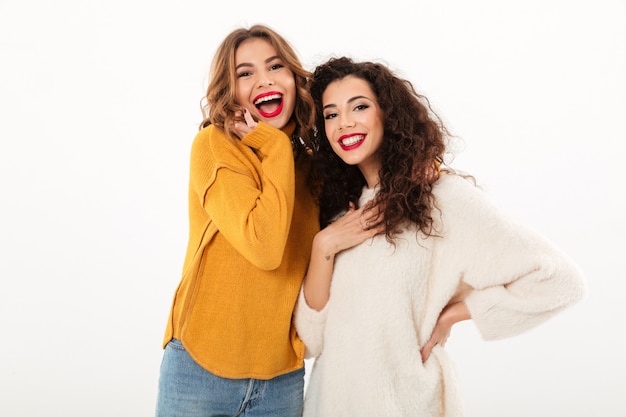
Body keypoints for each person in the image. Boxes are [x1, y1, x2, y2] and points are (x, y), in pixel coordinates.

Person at [294, 56, 587, 417]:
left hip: (406, 404)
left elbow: (560, 280)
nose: (345, 122)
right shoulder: (340, 212)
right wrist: (325, 245)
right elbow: (310, 341)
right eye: (331, 114)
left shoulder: (439, 198)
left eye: (360, 106)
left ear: (387, 113)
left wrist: (456, 314)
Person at [156, 24, 319, 417]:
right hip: (199, 368)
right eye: (245, 73)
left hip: (281, 377)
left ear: (293, 79)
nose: (264, 80)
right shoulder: (213, 146)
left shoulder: (313, 169)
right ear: (231, 90)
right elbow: (263, 246)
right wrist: (275, 145)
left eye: (275, 66)